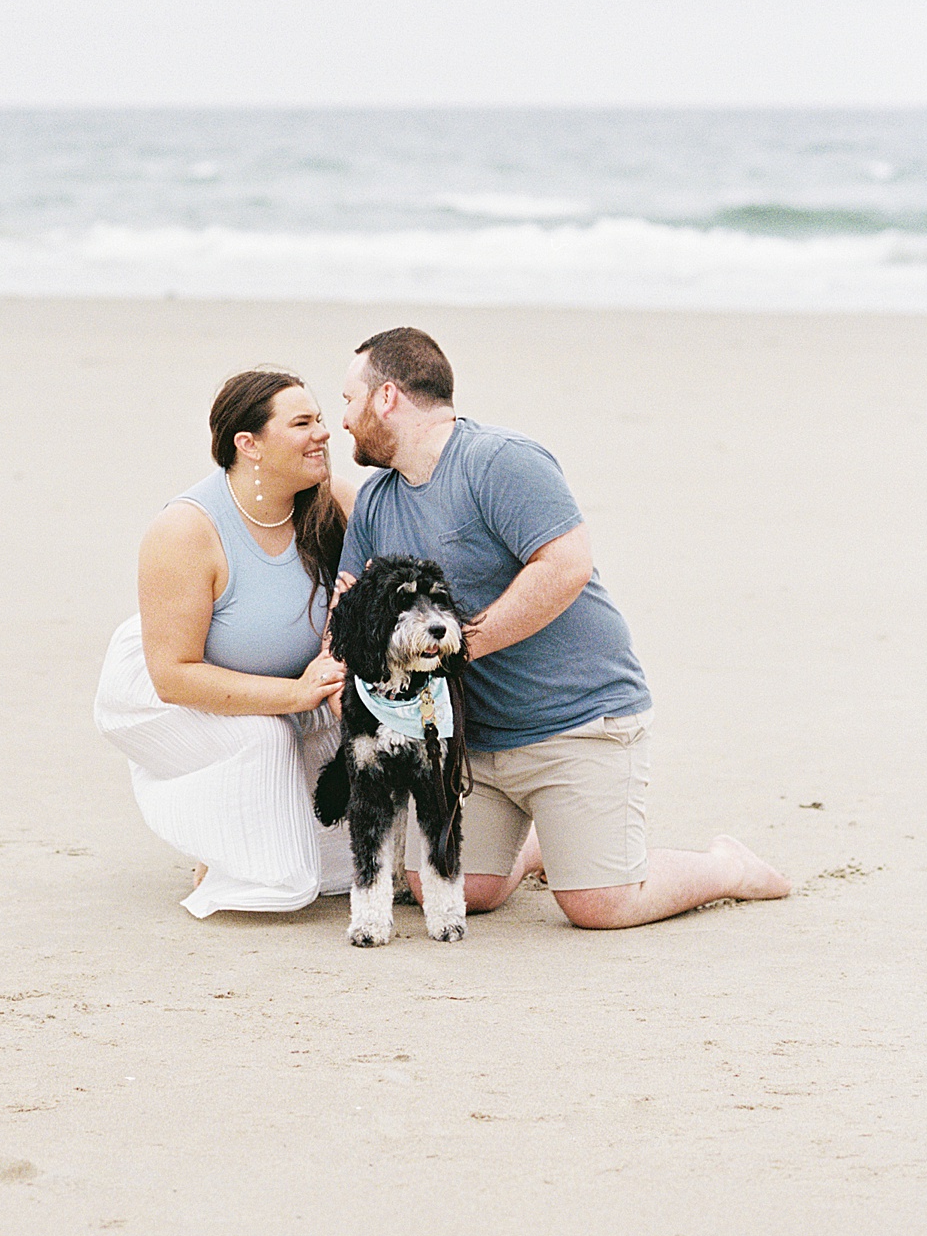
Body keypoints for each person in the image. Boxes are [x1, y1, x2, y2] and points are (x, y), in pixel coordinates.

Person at [337, 327, 791, 928]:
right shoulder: (375, 500)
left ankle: (726, 866)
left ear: (387, 397)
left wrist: (459, 647)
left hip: (577, 720)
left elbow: (567, 565)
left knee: (598, 906)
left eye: (348, 400)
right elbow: (349, 609)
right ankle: (554, 840)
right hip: (476, 739)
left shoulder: (499, 462)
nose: (342, 420)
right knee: (447, 888)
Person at [94, 368, 355, 917]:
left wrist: (335, 675)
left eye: (322, 419)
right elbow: (174, 675)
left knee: (370, 846)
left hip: (292, 687)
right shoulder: (185, 531)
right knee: (276, 858)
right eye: (303, 422)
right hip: (170, 691)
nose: (324, 434)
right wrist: (295, 698)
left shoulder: (332, 503)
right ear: (249, 444)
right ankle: (220, 847)